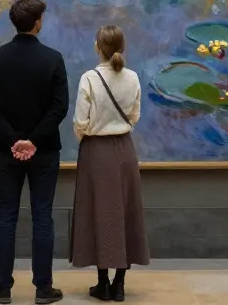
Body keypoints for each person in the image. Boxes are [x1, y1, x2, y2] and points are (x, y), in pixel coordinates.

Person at [0, 0, 69, 305]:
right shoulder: (53, 59)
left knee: (6, 217)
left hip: (7, 153)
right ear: (38, 23)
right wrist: (33, 140)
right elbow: (60, 108)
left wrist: (12, 140)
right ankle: (43, 288)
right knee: (42, 217)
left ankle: (3, 288)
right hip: (44, 152)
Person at [70, 25, 150, 302]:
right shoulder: (133, 77)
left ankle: (102, 282)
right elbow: (135, 116)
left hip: (96, 151)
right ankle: (120, 284)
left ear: (97, 47)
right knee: (125, 213)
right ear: (121, 47)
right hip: (125, 149)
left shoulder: (89, 78)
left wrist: (87, 136)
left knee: (100, 213)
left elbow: (81, 121)